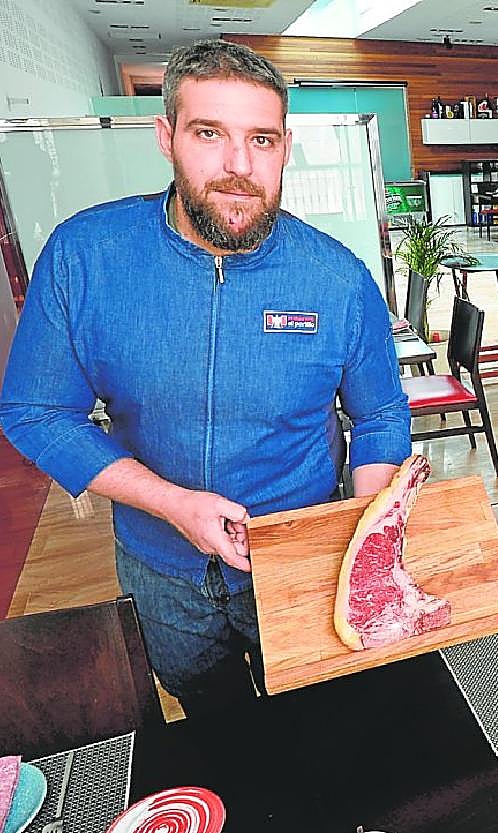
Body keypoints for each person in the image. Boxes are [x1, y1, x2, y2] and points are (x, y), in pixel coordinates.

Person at [0, 40, 412, 716]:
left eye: (263, 140)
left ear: (287, 146)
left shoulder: (337, 277)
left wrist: (365, 537)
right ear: (167, 137)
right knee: (211, 714)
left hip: (301, 560)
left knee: (315, 713)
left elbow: (380, 417)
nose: (239, 167)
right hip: (159, 567)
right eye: (209, 133)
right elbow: (36, 412)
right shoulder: (86, 256)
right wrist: (171, 503)